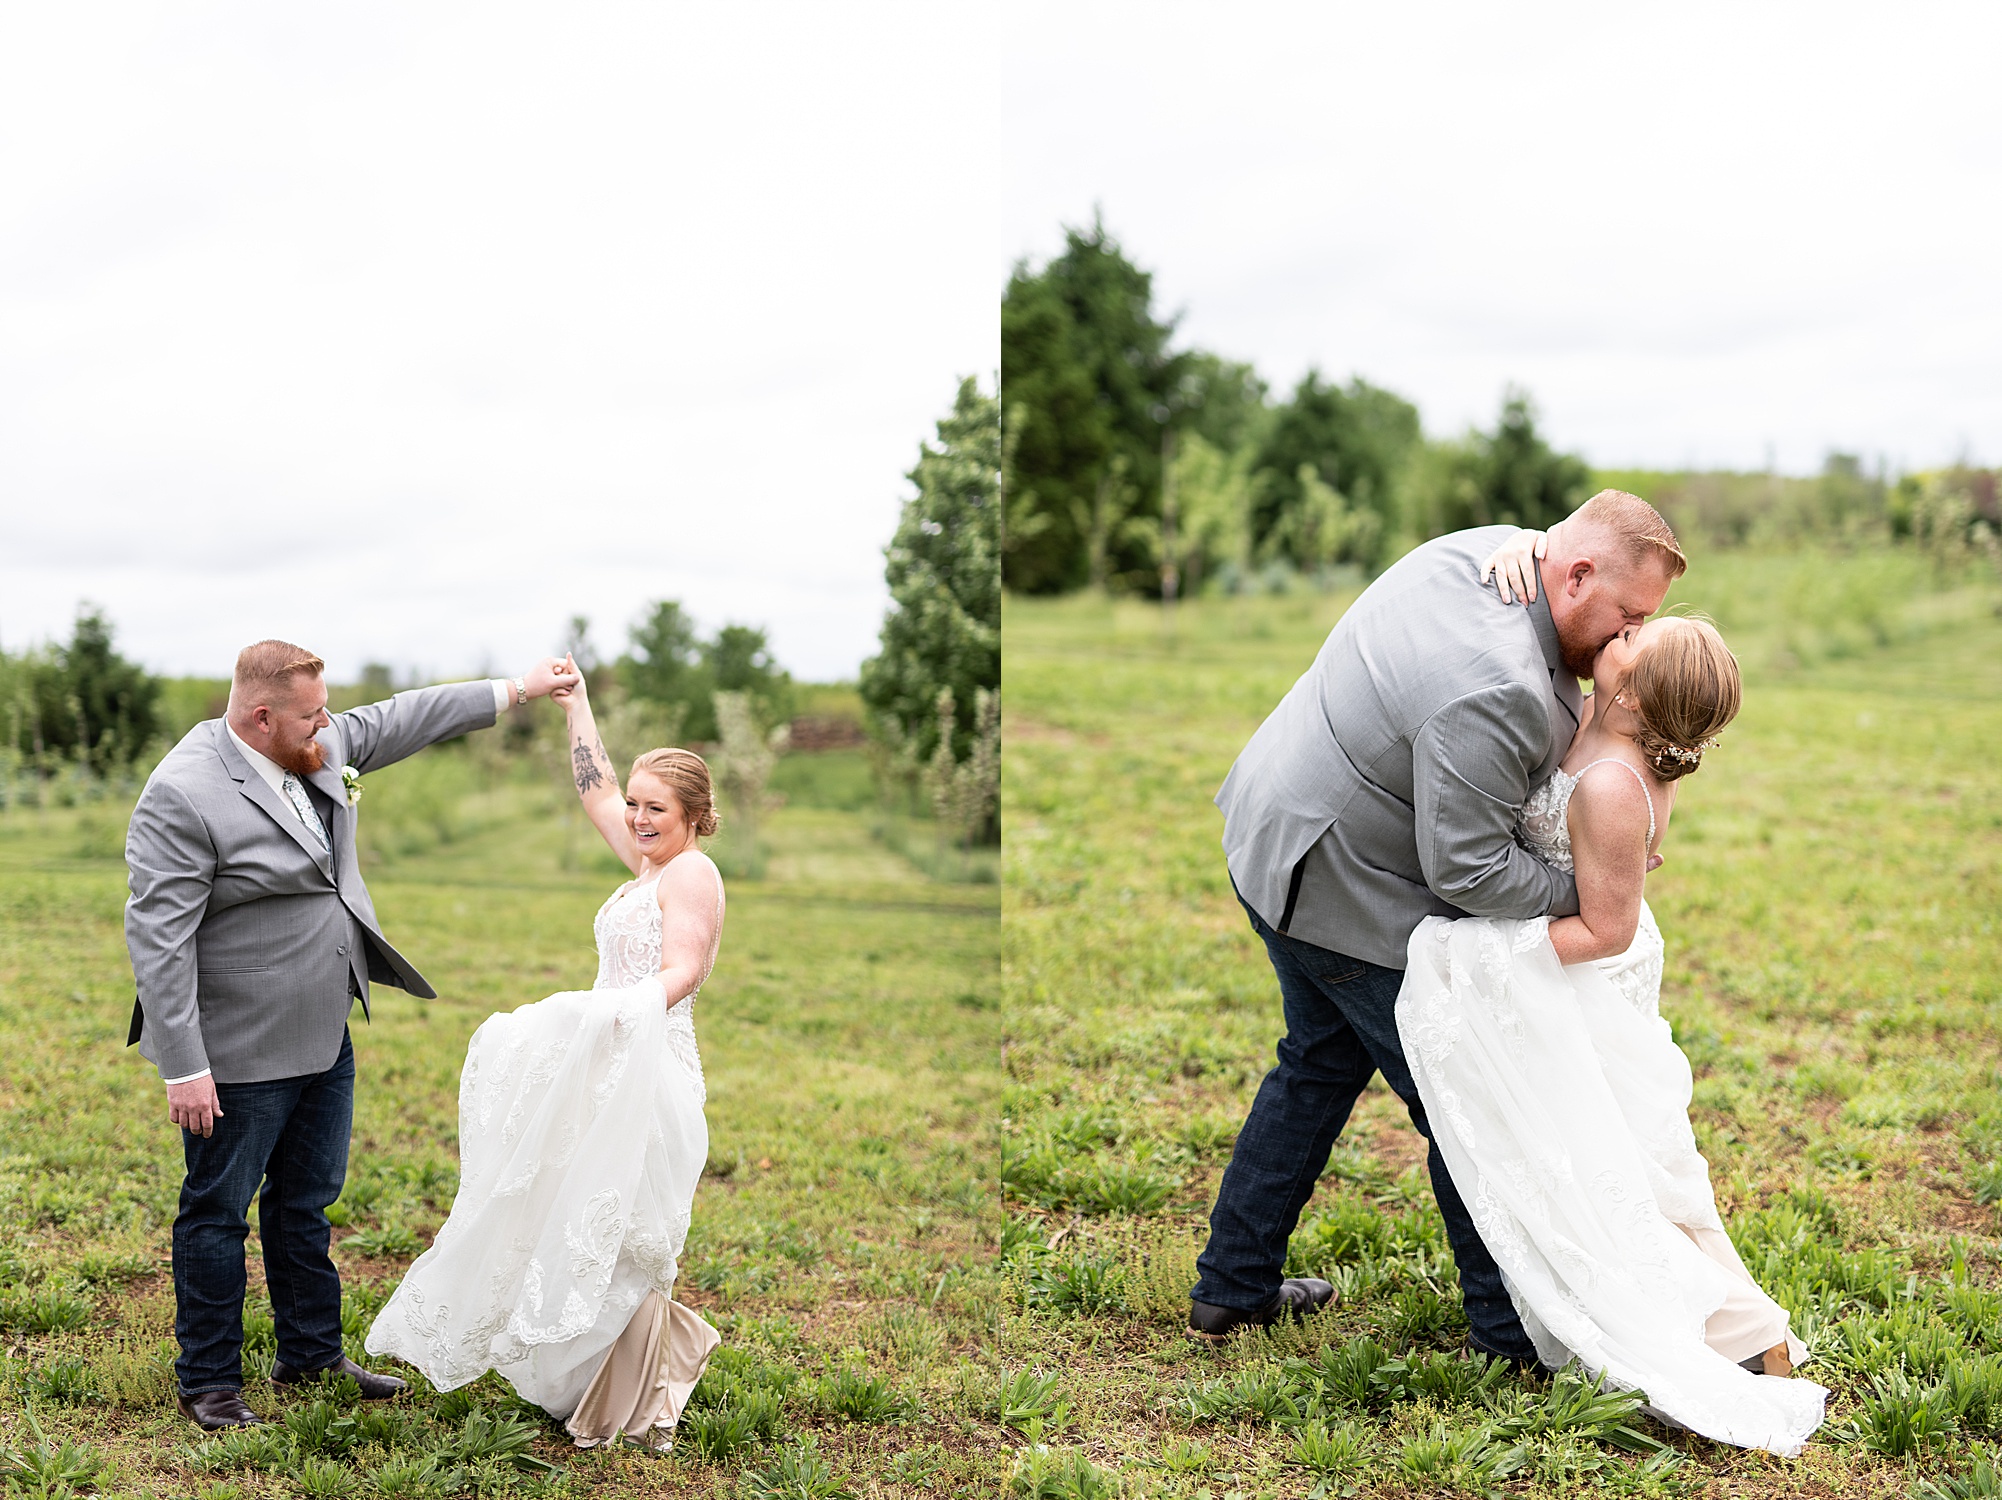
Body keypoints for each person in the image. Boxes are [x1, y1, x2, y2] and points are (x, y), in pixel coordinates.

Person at [1196, 490, 1681, 1360]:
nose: (1631, 638)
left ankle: (1232, 1287)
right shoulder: (1501, 685)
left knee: (1317, 1063)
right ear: (1574, 576)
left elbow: (1539, 547)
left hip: (1276, 828)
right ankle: (1506, 1339)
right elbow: (1469, 871)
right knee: (1469, 1103)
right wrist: (1589, 892)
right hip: (1338, 886)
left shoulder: (1483, 553)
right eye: (1630, 616)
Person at [1395, 538, 1826, 1455]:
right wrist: (1531, 547)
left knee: (1622, 1168)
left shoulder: (1613, 787)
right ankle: (1746, 1331)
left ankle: (1739, 1333)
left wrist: (1477, 952)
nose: (1619, 633)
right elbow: (1572, 570)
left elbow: (1608, 930)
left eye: (1633, 638)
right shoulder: (1608, 716)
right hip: (1582, 965)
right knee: (1622, 1161)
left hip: (1590, 975)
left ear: (1633, 695)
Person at [125, 641, 580, 1431]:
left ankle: (308, 1353)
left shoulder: (313, 741)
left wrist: (518, 689)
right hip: (238, 1048)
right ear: (260, 718)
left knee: (306, 1202)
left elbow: (406, 717)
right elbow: (158, 938)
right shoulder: (183, 793)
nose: (328, 724)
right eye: (311, 714)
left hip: (323, 1028)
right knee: (217, 1213)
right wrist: (184, 1067)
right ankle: (209, 1381)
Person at [366, 655, 724, 1450]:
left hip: (647, 1061)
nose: (637, 818)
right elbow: (596, 790)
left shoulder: (691, 874)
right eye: (637, 805)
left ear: (695, 815)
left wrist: (605, 1013)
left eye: (656, 808)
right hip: (604, 1055)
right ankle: (584, 1379)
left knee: (619, 1220)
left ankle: (634, 1390)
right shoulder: (649, 863)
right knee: (570, 1203)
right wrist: (576, 706)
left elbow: (684, 970)